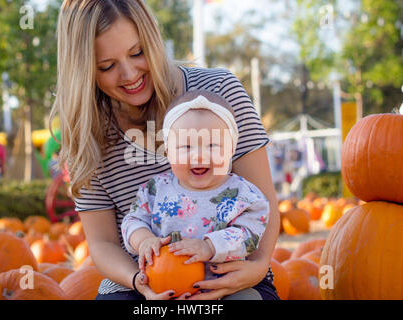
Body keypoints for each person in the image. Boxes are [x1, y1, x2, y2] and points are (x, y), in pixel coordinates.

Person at [51, 0, 280, 300]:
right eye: (107, 66)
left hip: (228, 275)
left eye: (138, 52)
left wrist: (259, 266)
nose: (130, 73)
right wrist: (139, 281)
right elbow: (103, 244)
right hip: (137, 282)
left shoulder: (219, 94)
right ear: (84, 71)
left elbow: (262, 202)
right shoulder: (87, 134)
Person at [121, 91, 270, 299]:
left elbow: (250, 234)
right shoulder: (156, 189)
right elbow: (133, 220)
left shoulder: (243, 194)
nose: (199, 155)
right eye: (186, 147)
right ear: (168, 151)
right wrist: (143, 240)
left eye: (213, 145)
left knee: (249, 299)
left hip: (221, 289)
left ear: (231, 149)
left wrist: (210, 246)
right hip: (163, 286)